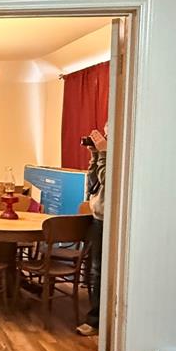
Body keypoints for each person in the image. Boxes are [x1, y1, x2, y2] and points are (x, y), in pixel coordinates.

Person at [76, 126, 107, 337]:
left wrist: (103, 153)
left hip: (108, 220)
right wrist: (95, 155)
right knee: (95, 272)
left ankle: (97, 321)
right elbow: (94, 184)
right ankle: (95, 317)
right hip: (97, 218)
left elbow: (110, 182)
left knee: (99, 271)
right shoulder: (105, 156)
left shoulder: (119, 156)